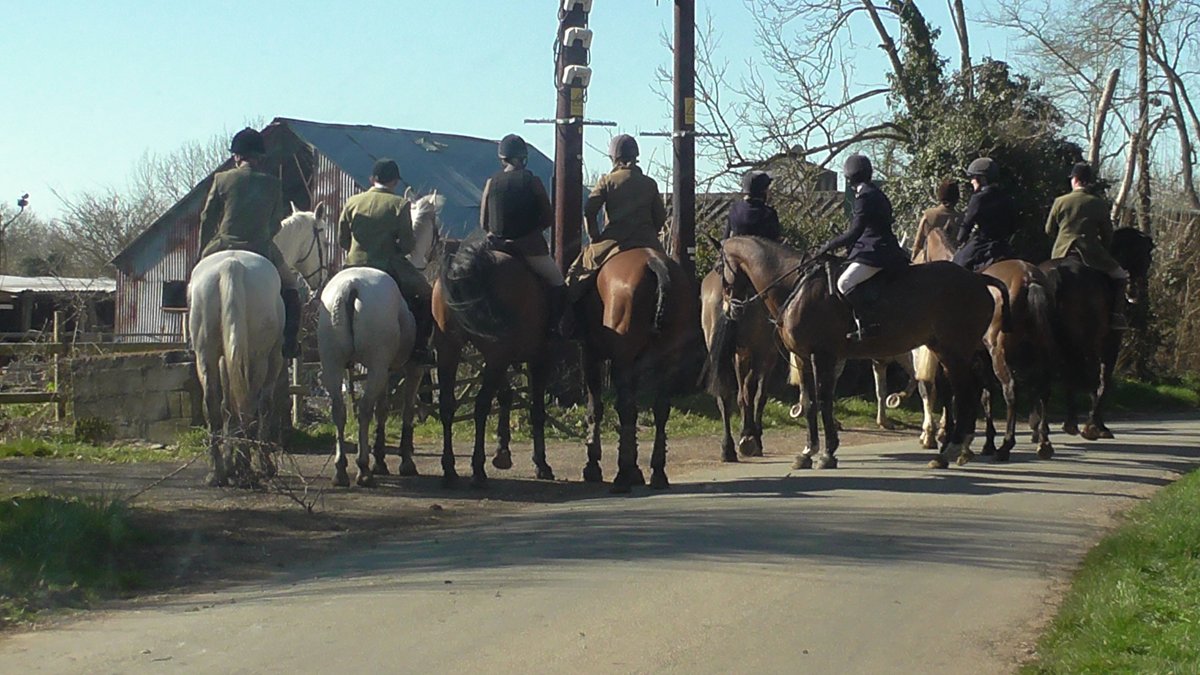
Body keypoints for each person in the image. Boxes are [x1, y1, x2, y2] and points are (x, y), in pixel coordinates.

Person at [199, 127, 302, 358]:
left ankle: (191, 342)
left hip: (223, 245)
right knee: (291, 286)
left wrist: (202, 251)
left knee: (195, 283)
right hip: (261, 247)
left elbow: (207, 218)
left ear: (236, 156)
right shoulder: (273, 184)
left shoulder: (222, 179)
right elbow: (276, 224)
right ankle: (289, 342)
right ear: (260, 156)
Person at [338, 158, 435, 364]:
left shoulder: (352, 202)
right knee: (428, 293)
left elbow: (342, 239)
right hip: (387, 264)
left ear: (372, 179)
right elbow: (408, 245)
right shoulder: (399, 204)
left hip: (352, 264)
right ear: (395, 182)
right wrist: (393, 249)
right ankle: (419, 347)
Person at [479, 134, 566, 337]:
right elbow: (548, 218)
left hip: (496, 247)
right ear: (522, 158)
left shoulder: (491, 183)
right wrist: (532, 231)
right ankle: (554, 330)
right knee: (559, 284)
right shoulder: (532, 181)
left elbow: (484, 223)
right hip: (529, 248)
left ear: (503, 159)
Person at [817, 154, 910, 341]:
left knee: (844, 283)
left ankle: (867, 325)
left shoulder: (865, 197)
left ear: (850, 177)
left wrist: (828, 246)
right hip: (884, 246)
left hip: (876, 251)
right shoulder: (877, 192)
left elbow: (855, 232)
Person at [565, 134, 667, 299]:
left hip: (614, 240)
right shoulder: (650, 183)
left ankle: (568, 317)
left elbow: (589, 211)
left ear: (614, 157)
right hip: (648, 239)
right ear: (636, 156)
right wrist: (650, 233)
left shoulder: (607, 181)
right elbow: (660, 216)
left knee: (577, 273)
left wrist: (595, 238)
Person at [1045, 162, 1130, 330]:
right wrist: (1103, 248)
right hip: (1091, 254)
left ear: (1074, 180)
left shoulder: (1060, 201)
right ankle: (1115, 316)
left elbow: (1049, 230)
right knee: (1121, 276)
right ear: (1088, 181)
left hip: (1061, 253)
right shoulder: (1098, 203)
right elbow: (1108, 235)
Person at [952, 157, 1018, 271]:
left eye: (973, 177)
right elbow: (1013, 225)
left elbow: (967, 223)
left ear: (982, 179)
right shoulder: (1007, 197)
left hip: (982, 245)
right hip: (1003, 246)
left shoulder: (978, 198)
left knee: (955, 267)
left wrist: (959, 239)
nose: (971, 181)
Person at [724, 170, 782, 241]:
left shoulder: (734, 210)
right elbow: (776, 245)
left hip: (736, 250)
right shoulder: (768, 214)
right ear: (763, 191)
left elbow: (725, 240)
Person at [912, 178, 962, 256]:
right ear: (957, 197)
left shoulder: (929, 215)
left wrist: (913, 260)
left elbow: (918, 244)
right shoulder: (961, 218)